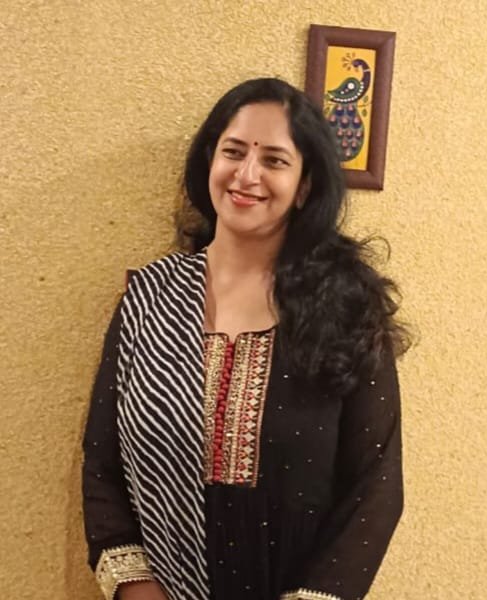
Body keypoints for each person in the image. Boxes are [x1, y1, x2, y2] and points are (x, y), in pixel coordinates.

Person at [82, 77, 410, 600]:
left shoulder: (347, 309)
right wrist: (138, 589)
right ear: (209, 161)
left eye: (274, 160)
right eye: (233, 151)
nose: (247, 174)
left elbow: (376, 485)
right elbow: (102, 463)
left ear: (305, 186)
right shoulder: (149, 299)